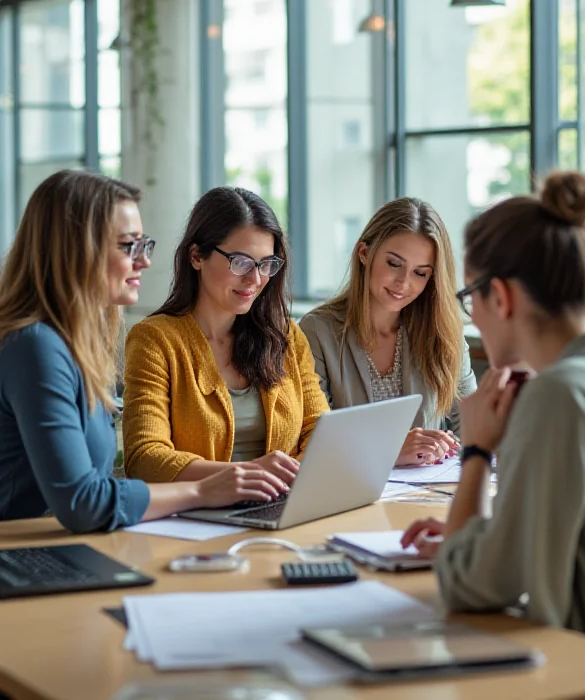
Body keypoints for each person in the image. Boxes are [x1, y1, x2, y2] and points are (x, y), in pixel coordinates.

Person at [0, 171, 289, 534]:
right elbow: (83, 502)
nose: (144, 262)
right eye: (127, 246)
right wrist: (202, 490)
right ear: (75, 250)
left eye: (143, 245)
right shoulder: (35, 346)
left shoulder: (74, 343)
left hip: (67, 544)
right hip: (21, 554)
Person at [402, 171, 585, 634]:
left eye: (468, 296)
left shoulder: (557, 395)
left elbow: (473, 586)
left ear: (501, 297)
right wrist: (484, 538)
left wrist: (478, 451)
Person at [123, 187, 329, 484]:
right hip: (196, 519)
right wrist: (247, 475)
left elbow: (319, 428)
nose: (255, 279)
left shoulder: (285, 336)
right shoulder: (155, 340)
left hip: (282, 500)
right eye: (241, 262)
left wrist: (289, 478)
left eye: (266, 264)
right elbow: (144, 458)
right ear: (197, 256)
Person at [299, 197, 476, 466]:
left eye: (420, 273)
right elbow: (313, 440)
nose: (404, 283)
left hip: (428, 493)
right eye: (394, 264)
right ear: (364, 254)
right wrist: (389, 450)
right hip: (347, 494)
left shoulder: (444, 333)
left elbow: (473, 426)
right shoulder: (317, 332)